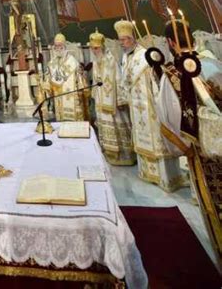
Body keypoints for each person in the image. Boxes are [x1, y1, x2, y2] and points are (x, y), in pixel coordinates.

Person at [155, 20, 222, 257]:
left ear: (170, 43)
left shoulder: (171, 75)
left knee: (214, 206)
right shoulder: (213, 63)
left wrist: (184, 150)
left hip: (202, 154)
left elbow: (168, 121)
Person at [115, 19, 185, 192]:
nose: (122, 44)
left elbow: (156, 80)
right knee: (141, 135)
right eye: (120, 41)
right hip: (136, 105)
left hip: (150, 104)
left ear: (132, 38)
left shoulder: (145, 55)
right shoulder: (125, 57)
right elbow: (126, 80)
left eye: (124, 40)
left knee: (157, 137)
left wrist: (157, 100)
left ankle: (165, 178)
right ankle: (147, 173)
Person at [89, 30, 135, 166]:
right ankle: (108, 153)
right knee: (104, 127)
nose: (94, 51)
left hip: (113, 102)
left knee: (117, 126)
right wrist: (94, 95)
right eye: (92, 48)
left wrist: (121, 99)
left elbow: (119, 79)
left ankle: (124, 155)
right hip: (101, 100)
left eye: (96, 48)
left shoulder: (111, 60)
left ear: (102, 47)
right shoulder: (96, 62)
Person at [45, 33, 87, 121]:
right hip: (58, 96)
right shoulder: (52, 62)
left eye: (60, 46)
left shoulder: (72, 61)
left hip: (71, 95)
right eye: (56, 46)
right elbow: (48, 77)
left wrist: (80, 90)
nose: (58, 48)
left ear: (64, 46)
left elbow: (79, 78)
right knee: (61, 119)